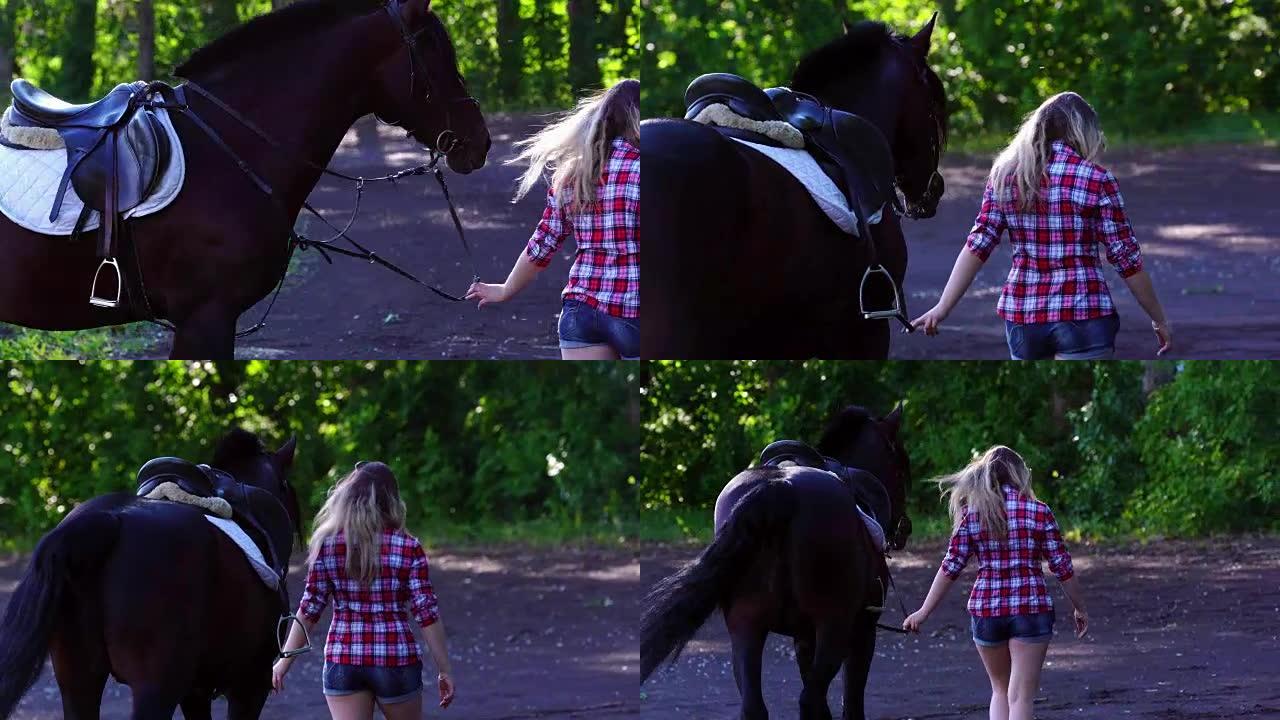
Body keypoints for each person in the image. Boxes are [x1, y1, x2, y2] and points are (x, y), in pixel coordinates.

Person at [911, 91, 1172, 359]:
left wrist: (942, 307)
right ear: (1083, 132)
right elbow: (1126, 260)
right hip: (1084, 314)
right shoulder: (1097, 179)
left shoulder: (1005, 178)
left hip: (1024, 320)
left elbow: (977, 245)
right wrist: (1158, 319)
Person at [903, 446, 1088, 720]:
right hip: (1031, 609)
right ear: (1019, 474)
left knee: (1000, 691)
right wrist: (1079, 607)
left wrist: (923, 611)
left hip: (986, 612)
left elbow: (950, 566)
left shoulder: (972, 514)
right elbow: (1062, 568)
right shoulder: (1038, 512)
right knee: (1021, 696)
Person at [466, 78, 640, 360]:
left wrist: (506, 289)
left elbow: (544, 241)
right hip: (634, 314)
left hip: (579, 315)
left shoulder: (575, 176)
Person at [272, 462, 455, 720]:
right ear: (391, 499)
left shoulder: (327, 545)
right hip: (395, 659)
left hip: (343, 659)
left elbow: (310, 607)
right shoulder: (408, 546)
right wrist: (444, 669)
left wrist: (284, 661)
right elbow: (426, 613)